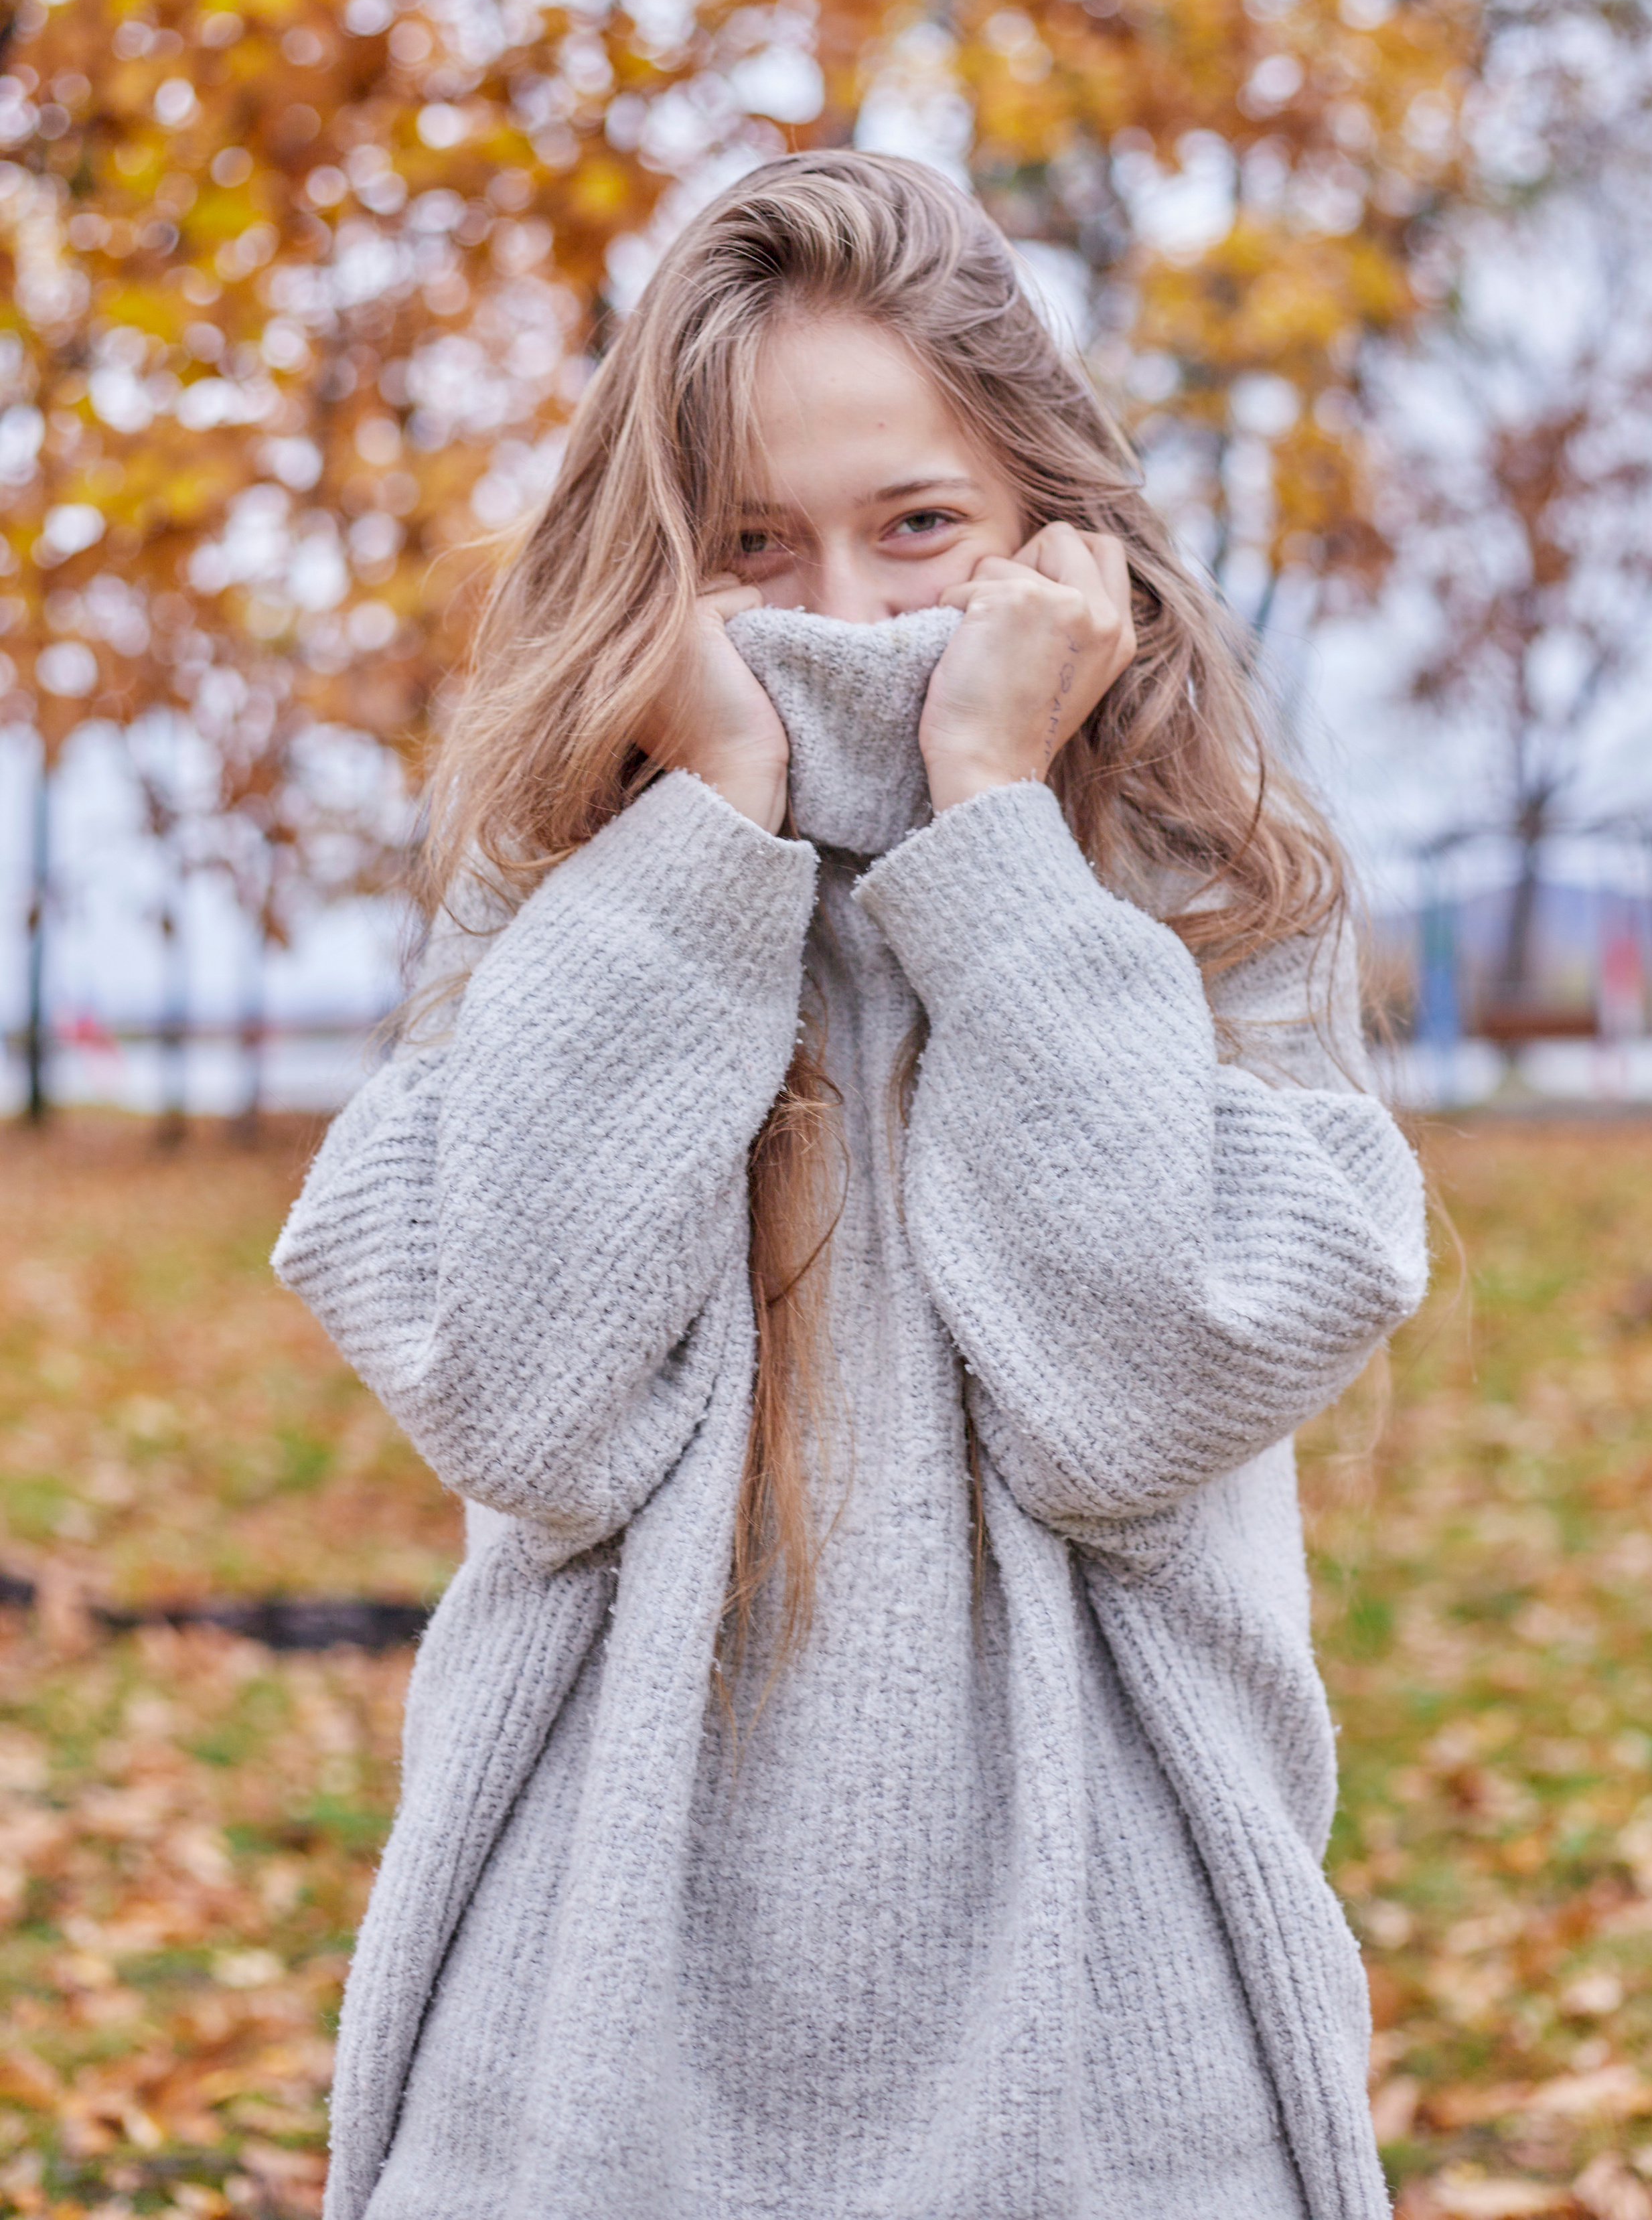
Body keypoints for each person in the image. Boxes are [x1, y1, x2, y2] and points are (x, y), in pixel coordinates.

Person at [275, 149, 1427, 2220]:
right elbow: (525, 1405)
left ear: (1045, 529)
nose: (848, 620)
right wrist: (714, 835)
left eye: (918, 527)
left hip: (1118, 2061)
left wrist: (991, 834)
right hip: (578, 2053)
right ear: (657, 570)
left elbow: (1139, 1391)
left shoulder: (1206, 876)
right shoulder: (560, 881)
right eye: (751, 550)